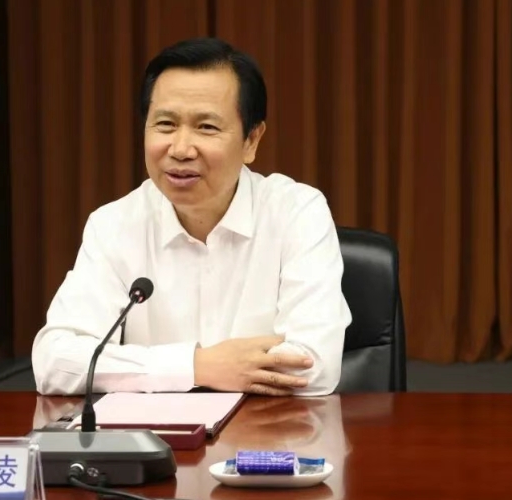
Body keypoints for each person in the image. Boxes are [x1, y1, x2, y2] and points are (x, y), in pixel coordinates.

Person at [32, 37, 351, 397]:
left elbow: (313, 366)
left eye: (207, 127)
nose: (181, 149)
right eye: (165, 124)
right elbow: (55, 362)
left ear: (251, 140)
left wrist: (144, 370)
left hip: (264, 430)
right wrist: (198, 366)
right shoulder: (114, 225)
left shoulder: (296, 214)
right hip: (153, 431)